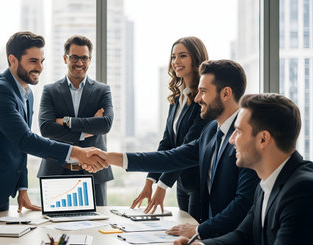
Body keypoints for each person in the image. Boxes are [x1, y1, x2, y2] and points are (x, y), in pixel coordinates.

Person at [85, 60, 260, 239]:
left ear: (226, 93)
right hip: (211, 236)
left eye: (204, 91)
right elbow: (171, 158)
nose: (198, 98)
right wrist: (110, 158)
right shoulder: (210, 132)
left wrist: (199, 230)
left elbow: (243, 204)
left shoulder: (248, 137)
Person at [0, 31, 106, 227]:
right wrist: (78, 153)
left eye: (42, 61)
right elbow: (25, 139)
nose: (39, 68)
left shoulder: (26, 92)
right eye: (33, 61)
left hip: (0, 188)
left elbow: (20, 146)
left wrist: (22, 187)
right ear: (12, 59)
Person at [174, 94, 313, 245]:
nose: (232, 140)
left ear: (263, 139)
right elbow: (242, 236)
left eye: (238, 131)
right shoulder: (266, 184)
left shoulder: (302, 191)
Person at [131, 37, 210, 218]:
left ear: (196, 59)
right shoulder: (176, 98)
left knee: (195, 234)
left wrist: (162, 186)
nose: (176, 62)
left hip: (199, 183)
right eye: (173, 57)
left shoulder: (203, 100)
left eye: (183, 56)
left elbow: (186, 146)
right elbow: (167, 142)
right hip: (181, 183)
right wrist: (150, 182)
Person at [37, 35, 114, 206]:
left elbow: (106, 124)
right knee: (55, 229)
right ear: (65, 58)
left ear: (90, 60)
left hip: (94, 173)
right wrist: (85, 132)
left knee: (96, 228)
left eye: (84, 58)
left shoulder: (102, 90)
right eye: (74, 57)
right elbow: (46, 128)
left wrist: (67, 121)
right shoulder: (50, 90)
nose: (79, 63)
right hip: (57, 171)